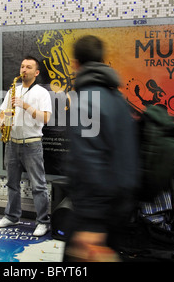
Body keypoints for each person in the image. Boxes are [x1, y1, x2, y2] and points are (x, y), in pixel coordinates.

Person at [63, 35, 139, 261]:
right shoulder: (117, 98)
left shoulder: (86, 101)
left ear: (76, 64)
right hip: (120, 203)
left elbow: (89, 159)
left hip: (96, 211)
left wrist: (91, 221)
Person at [0, 56, 52, 237]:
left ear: (36, 73)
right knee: (12, 184)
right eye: (22, 66)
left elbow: (45, 118)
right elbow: (2, 113)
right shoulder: (13, 90)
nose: (23, 70)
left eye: (28, 67)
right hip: (12, 143)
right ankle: (11, 216)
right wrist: (3, 121)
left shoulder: (42, 93)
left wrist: (24, 105)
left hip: (32, 144)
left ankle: (43, 222)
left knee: (38, 186)